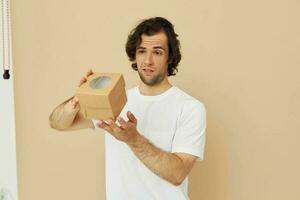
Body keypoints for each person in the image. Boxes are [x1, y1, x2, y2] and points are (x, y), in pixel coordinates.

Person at [49, 17, 206, 200]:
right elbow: (58, 122)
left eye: (157, 52)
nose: (147, 60)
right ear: (134, 55)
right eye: (141, 51)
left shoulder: (190, 108)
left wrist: (133, 139)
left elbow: (177, 174)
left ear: (170, 57)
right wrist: (79, 98)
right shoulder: (115, 100)